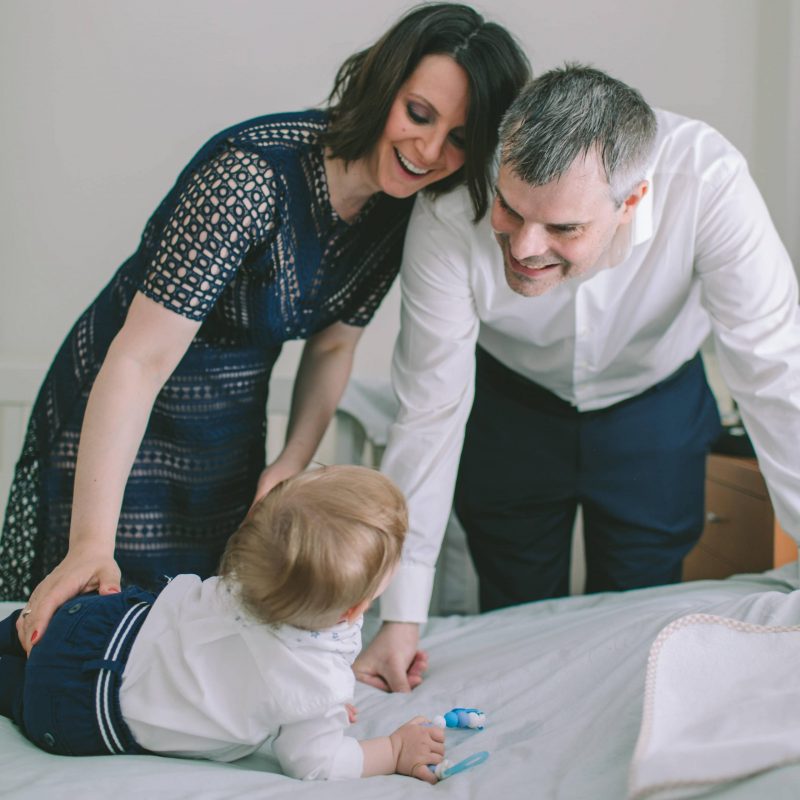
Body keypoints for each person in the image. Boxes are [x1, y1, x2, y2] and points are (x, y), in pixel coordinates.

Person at [2, 3, 531, 657]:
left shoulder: (398, 211)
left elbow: (335, 343)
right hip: (123, 400)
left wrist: (289, 460)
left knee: (200, 631)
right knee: (94, 627)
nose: (428, 152)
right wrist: (90, 542)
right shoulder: (248, 178)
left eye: (459, 139)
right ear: (382, 82)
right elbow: (138, 361)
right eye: (419, 114)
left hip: (227, 420)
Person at [354, 64, 800, 692]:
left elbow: (776, 372)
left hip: (654, 404)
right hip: (512, 405)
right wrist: (399, 615)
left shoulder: (707, 180)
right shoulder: (451, 209)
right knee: (514, 617)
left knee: (643, 621)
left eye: (564, 228)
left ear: (632, 201)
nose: (525, 247)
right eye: (510, 209)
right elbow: (429, 408)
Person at [0, 465, 447, 782]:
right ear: (354, 610)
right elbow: (315, 762)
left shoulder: (248, 577)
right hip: (80, 704)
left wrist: (311, 707)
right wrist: (391, 751)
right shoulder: (316, 685)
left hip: (98, 620)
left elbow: (247, 660)